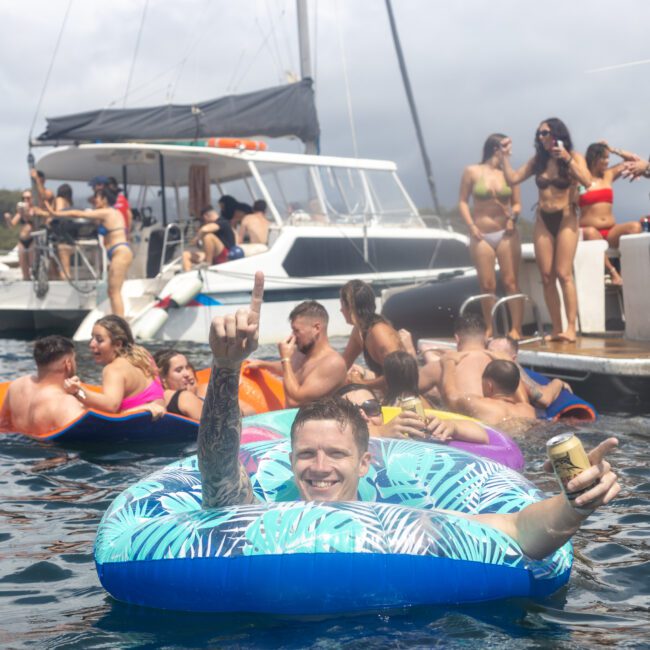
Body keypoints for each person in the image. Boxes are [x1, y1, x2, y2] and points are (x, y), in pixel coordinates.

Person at [198, 270, 620, 563]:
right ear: (290, 461)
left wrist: (574, 504)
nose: (320, 467)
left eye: (336, 454)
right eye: (307, 453)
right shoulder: (265, 518)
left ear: (366, 462)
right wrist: (225, 366)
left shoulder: (403, 522)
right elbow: (218, 469)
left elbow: (519, 531)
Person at [499, 118, 592, 343]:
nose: (542, 137)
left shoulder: (573, 156)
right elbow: (513, 179)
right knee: (547, 276)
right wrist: (504, 157)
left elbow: (587, 181)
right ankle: (556, 327)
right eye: (539, 134)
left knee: (563, 274)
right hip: (543, 218)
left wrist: (567, 159)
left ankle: (571, 328)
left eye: (546, 133)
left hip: (567, 217)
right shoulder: (537, 161)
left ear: (557, 133)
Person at [459, 133, 523, 338]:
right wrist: (471, 226)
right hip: (481, 233)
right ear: (496, 148)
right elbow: (462, 201)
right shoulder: (472, 171)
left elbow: (517, 203)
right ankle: (490, 327)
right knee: (487, 284)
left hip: (506, 232)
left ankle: (516, 328)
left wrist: (514, 218)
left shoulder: (510, 175)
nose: (510, 150)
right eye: (506, 146)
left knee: (511, 281)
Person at [46, 188, 133, 316]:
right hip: (118, 252)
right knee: (112, 291)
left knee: (114, 292)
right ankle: (118, 320)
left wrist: (56, 213)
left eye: (97, 197)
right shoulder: (110, 213)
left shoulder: (108, 212)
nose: (94, 200)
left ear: (104, 199)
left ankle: (121, 323)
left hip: (120, 252)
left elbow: (78, 214)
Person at [248, 300, 347, 407]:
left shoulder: (333, 363)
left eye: (296, 330)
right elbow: (289, 369)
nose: (293, 336)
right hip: (292, 418)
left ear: (316, 328)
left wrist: (285, 358)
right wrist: (262, 364)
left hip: (317, 420)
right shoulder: (302, 352)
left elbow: (297, 397)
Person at [63, 315, 164, 416]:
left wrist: (77, 392)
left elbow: (111, 406)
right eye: (92, 338)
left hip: (133, 426)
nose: (91, 344)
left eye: (99, 340)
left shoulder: (113, 369)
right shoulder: (143, 356)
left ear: (117, 345)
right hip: (161, 421)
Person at [338, 382, 488, 444]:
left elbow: (485, 437)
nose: (363, 415)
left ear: (381, 412)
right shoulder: (335, 448)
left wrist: (453, 427)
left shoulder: (403, 431)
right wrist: (381, 433)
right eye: (352, 411)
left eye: (370, 408)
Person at [579, 142, 643, 285]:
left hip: (611, 231)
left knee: (635, 227)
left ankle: (630, 272)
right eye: (604, 158)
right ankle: (613, 272)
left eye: (608, 158)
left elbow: (634, 161)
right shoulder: (580, 179)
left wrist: (613, 149)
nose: (608, 161)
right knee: (590, 232)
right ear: (594, 158)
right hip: (590, 233)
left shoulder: (608, 175)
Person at [0, 336, 85, 435]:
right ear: (68, 364)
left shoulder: (16, 386)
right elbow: (84, 436)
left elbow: (3, 423)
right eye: (74, 359)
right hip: (51, 448)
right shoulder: (65, 402)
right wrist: (79, 398)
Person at [441, 355, 535, 432]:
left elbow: (450, 396)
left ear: (489, 386)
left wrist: (448, 362)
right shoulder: (529, 411)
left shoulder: (477, 404)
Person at [340, 279, 403, 390]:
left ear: (350, 307)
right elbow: (342, 366)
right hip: (389, 396)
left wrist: (362, 383)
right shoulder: (359, 331)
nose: (341, 310)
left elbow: (399, 376)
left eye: (342, 305)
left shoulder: (379, 334)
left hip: (405, 401)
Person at [487, 335, 571, 408]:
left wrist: (558, 383)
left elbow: (544, 399)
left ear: (512, 359)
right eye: (489, 352)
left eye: (496, 355)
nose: (490, 357)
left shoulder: (516, 378)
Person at [153, 349, 204, 420]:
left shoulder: (152, 399)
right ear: (162, 376)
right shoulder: (185, 397)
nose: (187, 374)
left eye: (187, 367)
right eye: (179, 370)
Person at [182, 205, 236, 271]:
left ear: (205, 216)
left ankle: (208, 264)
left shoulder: (223, 222)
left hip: (226, 255)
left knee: (208, 236)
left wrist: (197, 238)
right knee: (185, 255)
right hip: (212, 255)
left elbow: (204, 229)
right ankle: (188, 275)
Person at [4, 189, 36, 279]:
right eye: (24, 198)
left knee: (32, 265)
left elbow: (32, 220)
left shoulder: (34, 210)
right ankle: (26, 281)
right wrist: (8, 219)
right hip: (22, 241)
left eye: (28, 198)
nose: (25, 200)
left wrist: (24, 213)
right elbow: (11, 225)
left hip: (32, 240)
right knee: (23, 267)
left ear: (32, 199)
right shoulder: (20, 212)